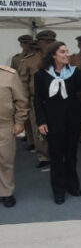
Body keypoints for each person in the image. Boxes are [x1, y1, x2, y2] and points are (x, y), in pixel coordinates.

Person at [34, 41, 81, 204]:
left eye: (67, 51)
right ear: (53, 55)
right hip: (52, 120)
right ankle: (59, 189)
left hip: (72, 119)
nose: (67, 55)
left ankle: (73, 185)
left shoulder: (73, 72)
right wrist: (41, 120)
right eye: (63, 52)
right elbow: (38, 99)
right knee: (57, 156)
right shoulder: (41, 75)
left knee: (71, 155)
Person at [18, 30, 56, 170]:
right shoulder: (30, 60)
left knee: (57, 128)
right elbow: (22, 83)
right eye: (46, 42)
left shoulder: (59, 57)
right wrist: (25, 102)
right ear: (39, 43)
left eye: (51, 42)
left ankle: (57, 154)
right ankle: (44, 156)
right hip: (37, 100)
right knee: (39, 129)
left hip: (57, 100)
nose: (48, 45)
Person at [0, 65, 29, 208]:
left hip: (4, 126)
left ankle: (6, 192)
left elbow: (21, 100)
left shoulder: (9, 75)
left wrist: (19, 121)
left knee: (5, 161)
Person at [11, 35, 35, 151]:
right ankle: (30, 139)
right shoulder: (16, 59)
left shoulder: (36, 58)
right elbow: (12, 74)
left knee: (34, 120)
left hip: (32, 92)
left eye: (28, 43)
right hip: (20, 91)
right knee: (25, 119)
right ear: (20, 44)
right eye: (24, 43)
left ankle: (35, 142)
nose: (26, 45)